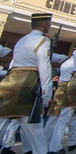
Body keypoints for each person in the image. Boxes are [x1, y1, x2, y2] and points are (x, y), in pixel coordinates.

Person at [0, 13, 53, 154]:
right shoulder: (44, 41)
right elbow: (44, 67)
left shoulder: (21, 40)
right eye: (49, 23)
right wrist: (47, 94)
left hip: (9, 82)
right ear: (45, 24)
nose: (50, 25)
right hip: (27, 84)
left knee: (3, 123)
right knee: (35, 128)